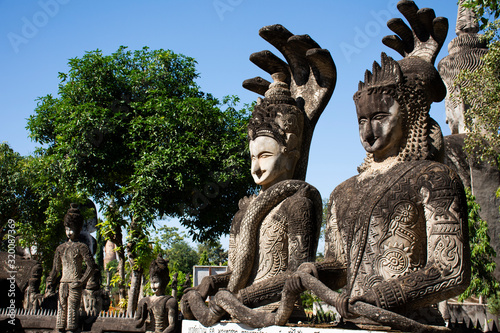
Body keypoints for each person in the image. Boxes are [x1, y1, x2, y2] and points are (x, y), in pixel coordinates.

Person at [46, 203, 96, 333]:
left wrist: (82, 281)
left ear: (79, 228)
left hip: (75, 283)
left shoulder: (81, 247)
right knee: (61, 316)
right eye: (67, 228)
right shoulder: (60, 248)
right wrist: (51, 280)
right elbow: (55, 269)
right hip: (63, 283)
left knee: (72, 315)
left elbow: (91, 266)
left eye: (72, 229)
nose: (69, 232)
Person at [135, 255, 178, 333]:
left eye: (155, 282)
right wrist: (142, 318)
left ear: (165, 281)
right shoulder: (144, 301)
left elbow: (172, 326)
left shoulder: (170, 302)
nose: (153, 286)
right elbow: (136, 325)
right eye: (151, 283)